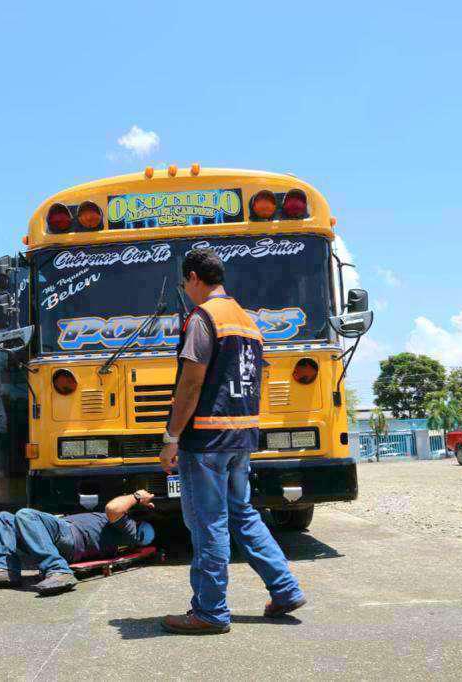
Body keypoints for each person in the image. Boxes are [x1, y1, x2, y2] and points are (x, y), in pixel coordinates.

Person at [158, 247, 306, 635]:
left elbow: (191, 383)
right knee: (241, 514)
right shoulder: (246, 320)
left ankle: (209, 611)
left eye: (184, 283)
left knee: (209, 524)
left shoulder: (203, 317)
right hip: (241, 438)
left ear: (193, 278)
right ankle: (286, 589)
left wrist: (171, 436)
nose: (185, 290)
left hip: (206, 441)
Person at [0, 490, 156, 596]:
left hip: (72, 538)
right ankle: (6, 570)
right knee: (4, 517)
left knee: (25, 514)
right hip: (63, 533)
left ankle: (58, 570)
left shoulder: (132, 530)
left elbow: (113, 508)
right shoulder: (122, 523)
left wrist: (137, 496)